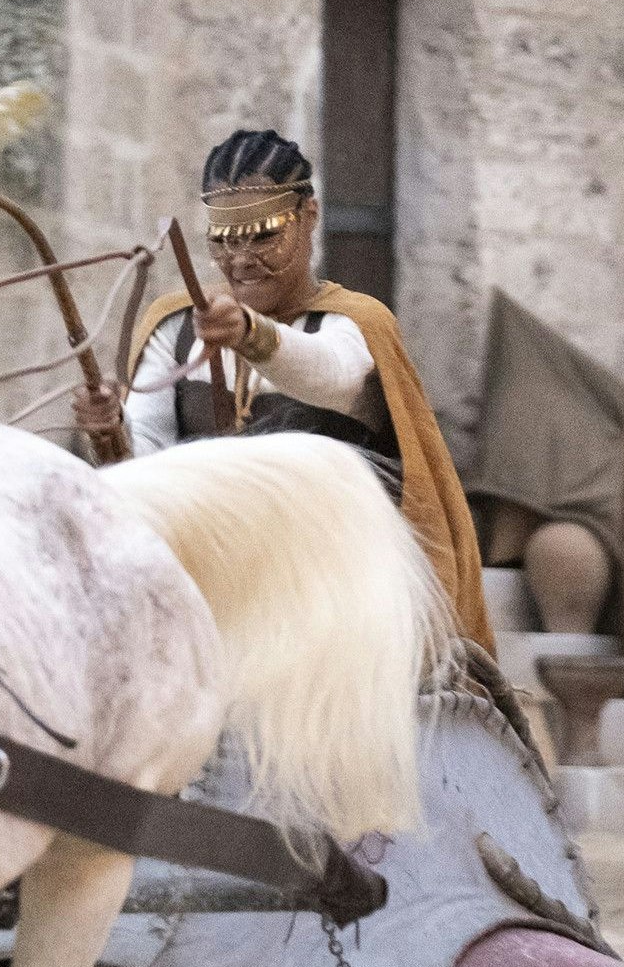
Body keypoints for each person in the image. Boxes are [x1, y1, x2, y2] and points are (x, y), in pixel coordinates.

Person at [126, 129, 495, 652]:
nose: (241, 261)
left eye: (263, 235)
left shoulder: (355, 323)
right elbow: (146, 443)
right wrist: (110, 437)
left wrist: (253, 334)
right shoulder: (174, 325)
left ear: (309, 218)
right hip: (203, 581)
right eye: (224, 241)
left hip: (330, 593)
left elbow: (331, 375)